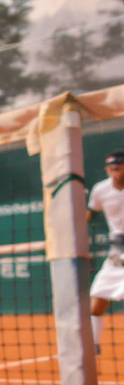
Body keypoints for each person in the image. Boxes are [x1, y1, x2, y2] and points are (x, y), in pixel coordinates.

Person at [90, 150, 124, 353]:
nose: (114, 173)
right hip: (116, 253)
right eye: (110, 169)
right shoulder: (100, 190)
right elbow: (91, 212)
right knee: (96, 302)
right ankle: (92, 345)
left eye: (118, 169)